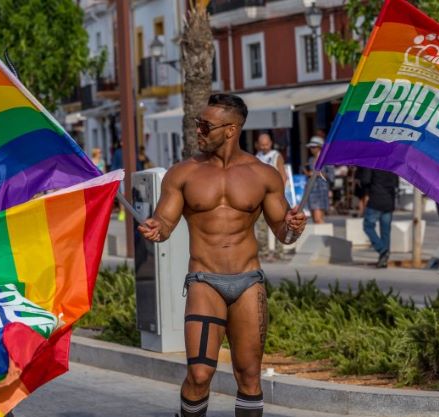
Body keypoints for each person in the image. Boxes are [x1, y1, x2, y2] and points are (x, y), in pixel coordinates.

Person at [137, 94, 306, 417]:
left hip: (248, 283)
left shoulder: (263, 175)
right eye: (196, 124)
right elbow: (165, 224)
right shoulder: (183, 173)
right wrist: (155, 228)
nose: (197, 131)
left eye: (204, 125)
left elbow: (283, 234)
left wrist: (295, 227)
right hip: (205, 282)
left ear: (231, 130)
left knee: (249, 376)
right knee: (199, 376)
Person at [359, 168, 399, 268]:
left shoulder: (372, 162)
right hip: (389, 200)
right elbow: (396, 183)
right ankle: (384, 259)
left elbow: (365, 180)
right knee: (385, 231)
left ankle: (382, 249)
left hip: (375, 199)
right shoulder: (391, 164)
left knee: (368, 226)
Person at [302, 135, 335, 223]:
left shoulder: (327, 159)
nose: (311, 149)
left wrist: (316, 173)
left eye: (313, 147)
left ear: (320, 147)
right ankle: (322, 235)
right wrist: (307, 173)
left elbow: (331, 176)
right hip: (311, 189)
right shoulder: (311, 160)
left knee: (318, 219)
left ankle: (325, 235)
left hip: (321, 190)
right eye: (310, 147)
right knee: (314, 219)